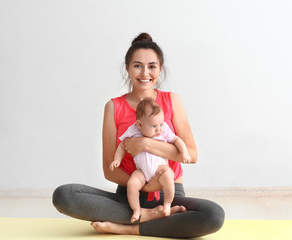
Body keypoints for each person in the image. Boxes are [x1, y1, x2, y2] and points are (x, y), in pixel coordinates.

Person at [52, 32, 225, 238]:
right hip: (129, 193)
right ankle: (149, 215)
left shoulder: (172, 100)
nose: (145, 73)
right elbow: (110, 169)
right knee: (65, 195)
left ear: (160, 69)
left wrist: (144, 145)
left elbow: (192, 154)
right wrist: (144, 186)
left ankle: (128, 227)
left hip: (169, 192)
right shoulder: (113, 106)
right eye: (137, 65)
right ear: (127, 67)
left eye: (152, 66)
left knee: (213, 215)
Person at [110, 97, 191, 223]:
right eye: (154, 126)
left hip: (160, 169)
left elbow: (176, 140)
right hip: (141, 172)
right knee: (132, 184)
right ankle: (137, 210)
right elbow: (122, 145)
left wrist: (184, 152)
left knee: (168, 175)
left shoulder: (163, 131)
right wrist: (117, 159)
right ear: (139, 124)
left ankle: (167, 204)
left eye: (161, 124)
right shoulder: (133, 130)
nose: (159, 129)